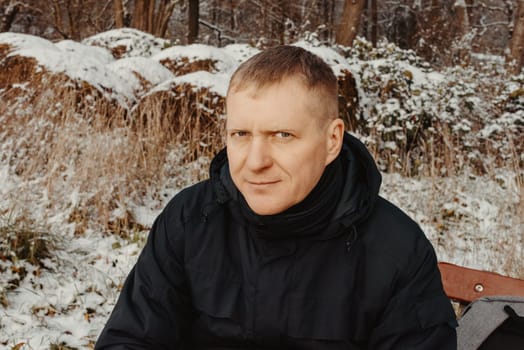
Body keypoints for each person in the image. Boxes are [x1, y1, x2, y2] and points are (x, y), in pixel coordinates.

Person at [95, 45, 457, 349]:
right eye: (240, 134)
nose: (255, 162)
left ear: (332, 140)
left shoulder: (396, 250)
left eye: (282, 135)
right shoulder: (191, 220)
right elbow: (129, 339)